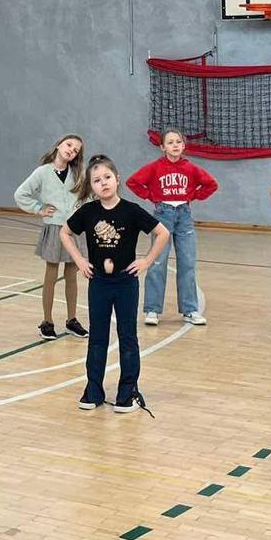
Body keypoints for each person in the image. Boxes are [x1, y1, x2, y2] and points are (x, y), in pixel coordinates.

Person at [62, 154, 170, 415]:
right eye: (97, 180)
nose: (103, 183)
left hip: (125, 283)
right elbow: (64, 232)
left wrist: (146, 261)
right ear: (91, 186)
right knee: (97, 338)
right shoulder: (88, 212)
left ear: (117, 179)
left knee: (127, 337)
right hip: (99, 283)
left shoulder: (131, 210)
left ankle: (127, 392)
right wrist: (79, 260)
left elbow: (162, 233)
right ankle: (93, 391)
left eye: (107, 177)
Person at [127, 128, 216, 328]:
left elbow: (211, 184)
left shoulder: (191, 168)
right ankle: (152, 309)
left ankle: (190, 309)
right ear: (162, 147)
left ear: (183, 145)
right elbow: (133, 182)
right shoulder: (155, 167)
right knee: (158, 262)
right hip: (162, 215)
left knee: (187, 262)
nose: (175, 145)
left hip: (184, 216)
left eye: (178, 142)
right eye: (170, 142)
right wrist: (152, 196)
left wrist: (193, 196)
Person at [13, 134, 88, 341]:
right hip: (54, 228)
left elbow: (89, 196)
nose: (71, 150)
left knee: (71, 275)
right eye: (69, 145)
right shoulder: (42, 172)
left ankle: (72, 320)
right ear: (58, 145)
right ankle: (47, 322)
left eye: (76, 150)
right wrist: (39, 208)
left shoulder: (78, 174)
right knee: (51, 275)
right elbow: (20, 194)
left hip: (74, 230)